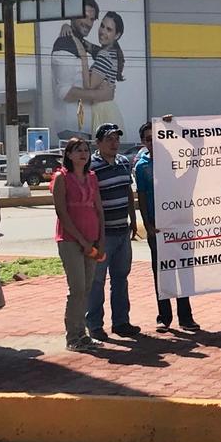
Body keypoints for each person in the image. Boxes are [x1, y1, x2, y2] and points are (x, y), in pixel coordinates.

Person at [135, 121, 199, 332]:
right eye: (147, 139)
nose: (152, 142)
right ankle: (164, 316)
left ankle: (186, 317)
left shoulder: (176, 157)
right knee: (161, 272)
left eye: (156, 137)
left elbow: (197, 147)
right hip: (157, 228)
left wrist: (174, 127)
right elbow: (142, 196)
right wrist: (146, 222)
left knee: (183, 270)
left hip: (179, 222)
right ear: (142, 142)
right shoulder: (141, 165)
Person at [51, 137, 107, 351]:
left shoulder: (92, 177)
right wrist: (82, 241)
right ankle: (73, 336)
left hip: (92, 237)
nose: (83, 154)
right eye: (77, 150)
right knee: (77, 287)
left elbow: (98, 209)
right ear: (68, 154)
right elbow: (62, 213)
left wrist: (101, 240)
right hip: (70, 240)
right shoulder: (61, 177)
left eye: (85, 150)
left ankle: (82, 333)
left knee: (87, 287)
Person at [86, 122, 139, 339]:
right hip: (101, 235)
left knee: (120, 278)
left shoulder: (124, 162)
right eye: (109, 139)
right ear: (98, 143)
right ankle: (95, 325)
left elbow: (128, 192)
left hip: (122, 231)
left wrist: (133, 220)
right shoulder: (91, 167)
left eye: (116, 139)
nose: (114, 143)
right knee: (96, 281)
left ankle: (121, 322)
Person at [51, 0, 100, 134]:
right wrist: (96, 95)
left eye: (92, 19)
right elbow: (64, 92)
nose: (89, 23)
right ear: (73, 15)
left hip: (84, 127)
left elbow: (106, 53)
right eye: (84, 16)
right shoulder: (65, 43)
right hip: (72, 128)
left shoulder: (80, 43)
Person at [75, 11, 125, 130]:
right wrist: (66, 27)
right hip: (107, 109)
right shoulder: (111, 52)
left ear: (117, 35)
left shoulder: (105, 55)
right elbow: (88, 45)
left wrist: (83, 57)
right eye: (102, 26)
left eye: (109, 29)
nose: (103, 31)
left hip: (100, 110)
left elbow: (89, 85)